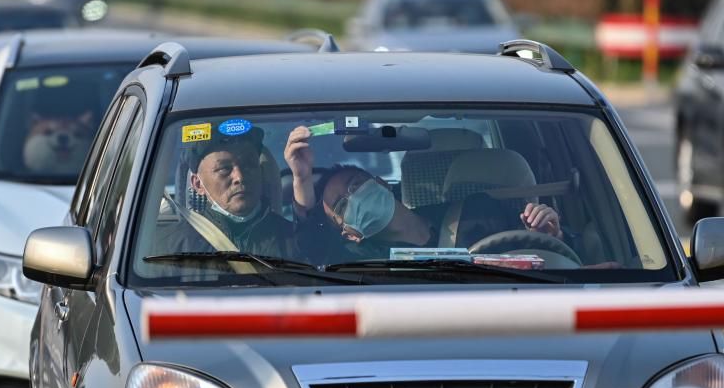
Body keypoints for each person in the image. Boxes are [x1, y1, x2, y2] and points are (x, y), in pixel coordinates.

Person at [284, 125, 563, 263]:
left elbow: (548, 257)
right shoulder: (359, 267)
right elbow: (308, 249)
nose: (354, 197)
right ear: (350, 234)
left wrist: (549, 234)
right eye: (342, 206)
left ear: (382, 183)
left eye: (355, 184)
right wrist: (301, 178)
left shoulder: (477, 211)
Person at [152, 124, 300, 263]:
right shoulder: (169, 250)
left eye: (248, 165)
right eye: (224, 169)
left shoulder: (297, 241)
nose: (239, 177)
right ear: (198, 184)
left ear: (261, 173)